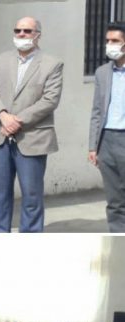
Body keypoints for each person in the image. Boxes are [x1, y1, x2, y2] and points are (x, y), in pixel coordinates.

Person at [0, 16, 63, 233]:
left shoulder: (52, 64)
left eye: (27, 31)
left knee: (31, 196)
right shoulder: (3, 59)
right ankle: (0, 234)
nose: (21, 34)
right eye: (17, 30)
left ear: (38, 35)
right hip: (2, 136)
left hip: (32, 137)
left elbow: (49, 100)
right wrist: (3, 115)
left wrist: (16, 120)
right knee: (0, 194)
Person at [88, 22, 125, 233]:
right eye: (108, 41)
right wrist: (93, 147)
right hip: (107, 141)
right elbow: (96, 111)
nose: (110, 45)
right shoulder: (102, 72)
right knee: (114, 200)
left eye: (115, 41)